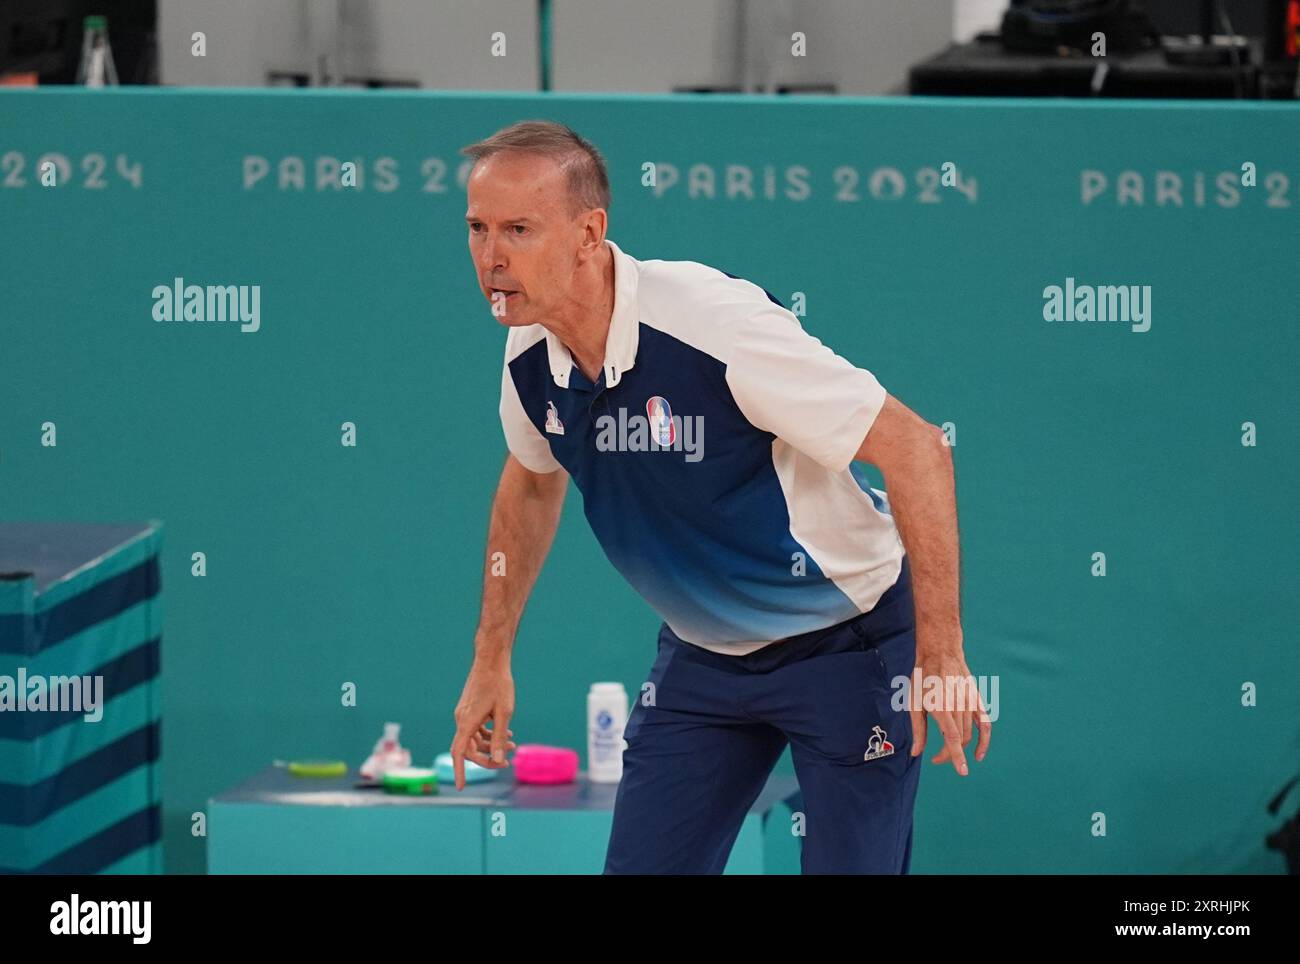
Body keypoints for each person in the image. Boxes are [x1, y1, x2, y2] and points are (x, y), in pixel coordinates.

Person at [449, 120, 990, 874]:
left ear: (588, 233)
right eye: (477, 228)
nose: (491, 258)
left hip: (849, 643)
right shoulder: (528, 349)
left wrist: (941, 656)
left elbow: (919, 450)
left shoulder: (716, 325)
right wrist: (490, 659)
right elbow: (532, 482)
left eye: (518, 229)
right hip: (704, 660)